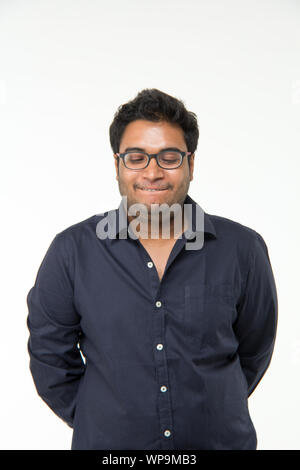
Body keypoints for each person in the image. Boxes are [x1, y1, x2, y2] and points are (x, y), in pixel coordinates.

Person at [26, 88, 278, 450]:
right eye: (137, 157)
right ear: (117, 165)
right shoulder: (72, 251)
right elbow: (50, 358)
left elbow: (254, 351)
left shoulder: (243, 249)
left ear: (191, 163)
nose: (153, 172)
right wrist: (102, 418)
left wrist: (212, 406)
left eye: (169, 157)